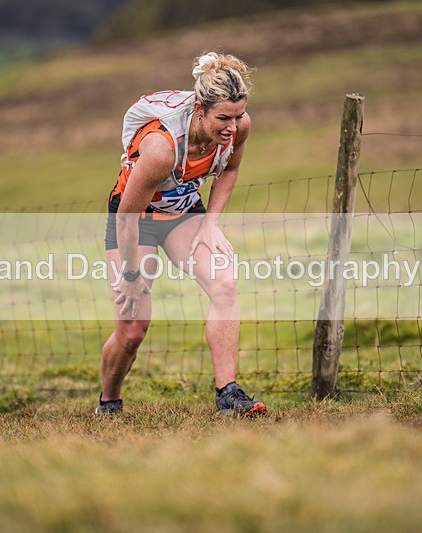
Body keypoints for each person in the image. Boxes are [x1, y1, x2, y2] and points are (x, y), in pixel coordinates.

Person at [97, 51, 267, 416]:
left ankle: (228, 396)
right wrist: (129, 276)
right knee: (133, 328)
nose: (232, 128)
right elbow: (128, 216)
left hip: (184, 211)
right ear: (199, 110)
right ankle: (109, 401)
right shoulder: (161, 148)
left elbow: (230, 171)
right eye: (223, 118)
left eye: (238, 117)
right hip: (135, 219)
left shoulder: (240, 126)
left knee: (225, 282)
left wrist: (210, 224)